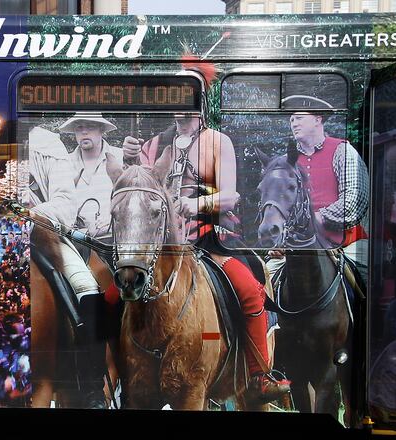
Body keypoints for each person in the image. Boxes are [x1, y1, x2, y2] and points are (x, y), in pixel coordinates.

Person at [124, 114, 291, 402]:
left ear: (199, 102)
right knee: (114, 288)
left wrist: (197, 203)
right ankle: (103, 375)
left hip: (207, 240)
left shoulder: (218, 142)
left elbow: (230, 197)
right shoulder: (153, 145)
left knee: (250, 290)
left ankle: (259, 375)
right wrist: (129, 160)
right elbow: (136, 192)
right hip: (159, 248)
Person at [25, 114, 123, 408]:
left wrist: (27, 216)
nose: (83, 132)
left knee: (87, 287)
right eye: (79, 127)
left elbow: (66, 205)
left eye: (88, 126)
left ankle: (93, 385)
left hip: (41, 234)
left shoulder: (46, 144)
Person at [266, 95, 369, 280]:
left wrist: (316, 220)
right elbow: (277, 208)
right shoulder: (285, 161)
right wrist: (278, 241)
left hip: (345, 244)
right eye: (291, 120)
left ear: (317, 119)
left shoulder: (342, 151)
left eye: (299, 118)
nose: (293, 124)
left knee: (368, 282)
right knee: (264, 283)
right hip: (298, 247)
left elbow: (355, 200)